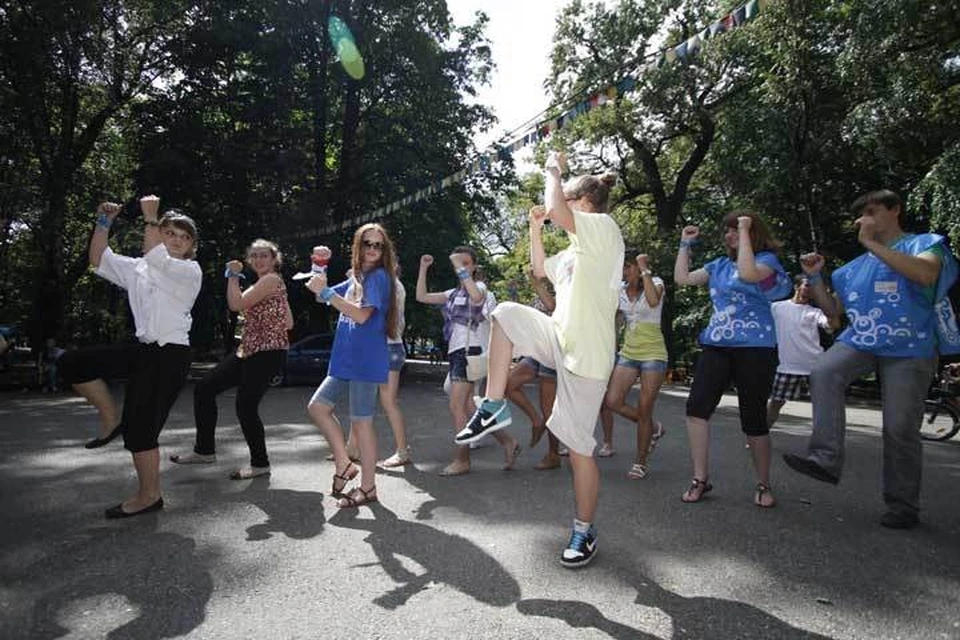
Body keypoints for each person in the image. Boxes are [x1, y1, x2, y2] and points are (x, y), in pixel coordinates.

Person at [454, 151, 624, 568]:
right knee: (505, 314)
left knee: (579, 449)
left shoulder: (603, 230)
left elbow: (557, 209)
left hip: (586, 357)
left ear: (583, 201)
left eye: (567, 197)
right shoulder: (571, 253)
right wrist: (534, 227)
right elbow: (537, 268)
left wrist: (552, 167)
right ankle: (493, 405)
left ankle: (585, 530)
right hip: (558, 337)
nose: (557, 205)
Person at [783, 190, 958, 529]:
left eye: (873, 211)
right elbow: (833, 313)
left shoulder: (925, 244)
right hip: (862, 341)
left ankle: (903, 505)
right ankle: (825, 458)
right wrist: (817, 278)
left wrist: (872, 245)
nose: (864, 220)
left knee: (898, 429)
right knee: (824, 370)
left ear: (895, 211)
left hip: (911, 348)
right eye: (861, 215)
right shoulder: (851, 271)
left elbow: (926, 275)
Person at [58, 195, 201, 518]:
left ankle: (149, 496)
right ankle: (111, 419)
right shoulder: (138, 268)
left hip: (171, 355)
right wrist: (104, 222)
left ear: (191, 245)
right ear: (161, 235)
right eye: (171, 233)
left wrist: (150, 216)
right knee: (71, 362)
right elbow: (98, 258)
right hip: (142, 349)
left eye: (184, 237)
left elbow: (156, 255)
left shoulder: (188, 270)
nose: (177, 240)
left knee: (142, 432)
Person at [673, 211, 791, 508]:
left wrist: (745, 230)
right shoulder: (719, 265)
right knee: (696, 408)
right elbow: (682, 278)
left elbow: (749, 274)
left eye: (735, 230)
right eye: (727, 231)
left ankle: (763, 484)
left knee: (753, 418)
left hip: (755, 348)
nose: (728, 235)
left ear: (751, 232)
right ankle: (700, 478)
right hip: (717, 345)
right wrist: (684, 245)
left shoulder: (767, 262)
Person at [170, 239, 293, 479]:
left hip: (267, 352)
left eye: (263, 255)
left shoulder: (271, 280)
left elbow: (235, 303)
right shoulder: (270, 284)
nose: (258, 259)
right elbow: (288, 322)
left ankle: (260, 464)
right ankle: (204, 451)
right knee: (204, 389)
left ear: (274, 259)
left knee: (245, 406)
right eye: (254, 256)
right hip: (248, 350)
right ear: (250, 259)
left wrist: (232, 275)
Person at [305, 224, 398, 508]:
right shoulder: (359, 277)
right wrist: (319, 265)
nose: (372, 249)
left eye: (378, 245)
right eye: (367, 243)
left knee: (362, 423)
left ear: (384, 251)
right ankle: (345, 464)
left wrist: (329, 295)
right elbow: (320, 294)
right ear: (358, 246)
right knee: (317, 407)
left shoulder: (380, 277)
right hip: (345, 359)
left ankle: (368, 488)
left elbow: (359, 316)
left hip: (364, 360)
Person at [416, 246, 521, 476]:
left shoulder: (480, 288)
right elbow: (421, 297)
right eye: (458, 263)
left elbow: (476, 296)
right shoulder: (452, 294)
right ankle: (507, 442)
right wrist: (423, 268)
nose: (461, 267)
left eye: (466, 263)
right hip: (457, 353)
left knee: (456, 406)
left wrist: (459, 267)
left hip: (469, 353)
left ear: (473, 267)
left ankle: (462, 460)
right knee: (468, 407)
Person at [603, 251, 668, 479]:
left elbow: (652, 301)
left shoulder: (656, 282)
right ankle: (654, 428)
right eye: (623, 268)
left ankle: (640, 462)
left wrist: (644, 269)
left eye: (629, 267)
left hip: (653, 353)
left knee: (644, 408)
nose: (624, 272)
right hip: (629, 352)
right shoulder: (619, 291)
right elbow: (609, 316)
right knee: (612, 401)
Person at [506, 264, 563, 470]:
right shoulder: (538, 294)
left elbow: (552, 306)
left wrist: (536, 282)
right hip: (535, 351)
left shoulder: (563, 290)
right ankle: (536, 421)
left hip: (553, 353)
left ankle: (554, 454)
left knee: (550, 410)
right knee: (508, 385)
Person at [766, 275, 840, 428]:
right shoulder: (776, 307)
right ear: (796, 287)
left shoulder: (816, 312)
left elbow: (832, 326)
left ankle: (822, 448)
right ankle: (759, 437)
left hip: (816, 366)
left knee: (823, 408)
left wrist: (832, 304)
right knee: (774, 404)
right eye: (807, 285)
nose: (810, 289)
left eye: (814, 287)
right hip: (787, 367)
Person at [378, 265, 412, 468]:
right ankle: (352, 447)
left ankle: (402, 451)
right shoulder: (395, 285)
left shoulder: (390, 285)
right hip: (390, 346)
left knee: (388, 403)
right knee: (362, 400)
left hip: (387, 347)